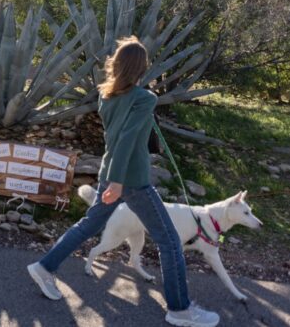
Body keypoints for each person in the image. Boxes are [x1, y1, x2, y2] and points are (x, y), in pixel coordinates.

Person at [26, 37, 220, 327]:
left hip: (110, 173)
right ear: (142, 68)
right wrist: (118, 182)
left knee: (88, 226)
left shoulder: (106, 97)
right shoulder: (145, 99)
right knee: (169, 241)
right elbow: (126, 140)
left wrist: (112, 180)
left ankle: (44, 267)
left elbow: (118, 139)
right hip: (131, 179)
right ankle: (180, 309)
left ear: (115, 65)